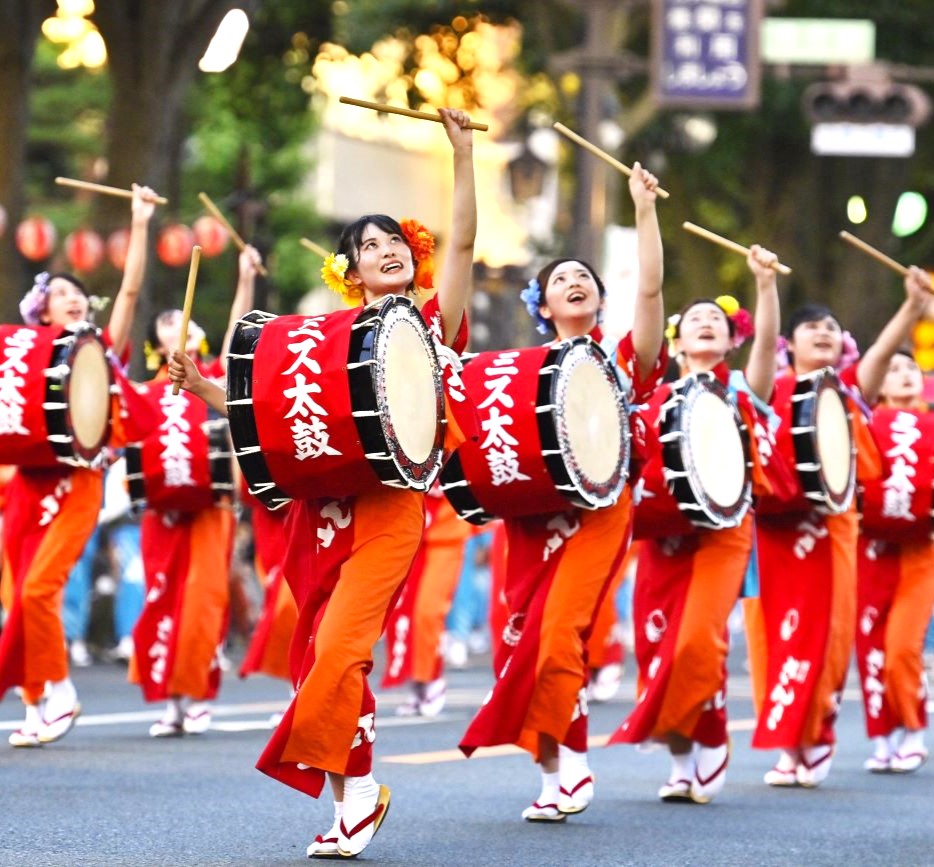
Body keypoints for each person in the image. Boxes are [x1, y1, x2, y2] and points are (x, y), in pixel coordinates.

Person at [169, 107, 476, 860]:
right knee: (318, 660)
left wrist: (463, 156)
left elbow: (467, 242)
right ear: (350, 272)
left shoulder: (435, 324)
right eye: (368, 245)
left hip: (392, 510)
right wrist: (205, 389)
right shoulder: (322, 343)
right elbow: (269, 413)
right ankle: (354, 797)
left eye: (394, 240)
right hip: (322, 513)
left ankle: (356, 793)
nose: (385, 249)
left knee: (340, 649)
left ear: (414, 256)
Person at [458, 163, 665, 822]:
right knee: (519, 643)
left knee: (558, 636)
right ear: (543, 307)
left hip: (600, 511)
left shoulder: (622, 359)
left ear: (599, 299)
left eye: (584, 278)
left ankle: (573, 762)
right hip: (530, 515)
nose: (574, 282)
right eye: (559, 280)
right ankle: (549, 770)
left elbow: (652, 292)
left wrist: (644, 209)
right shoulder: (515, 372)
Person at [608, 245, 782, 805]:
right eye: (695, 319)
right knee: (656, 645)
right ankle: (682, 759)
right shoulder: (653, 398)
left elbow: (765, 351)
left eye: (717, 320)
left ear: (732, 341)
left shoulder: (743, 391)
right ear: (677, 342)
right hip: (664, 533)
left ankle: (710, 740)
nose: (706, 322)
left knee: (698, 641)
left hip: (725, 534)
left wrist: (765, 285)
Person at [751, 265, 931, 787]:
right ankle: (787, 746)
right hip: (774, 531)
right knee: (770, 642)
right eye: (812, 327)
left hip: (831, 528)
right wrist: (765, 287)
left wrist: (913, 306)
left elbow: (882, 353)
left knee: (827, 639)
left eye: (831, 326)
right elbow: (761, 346)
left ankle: (816, 738)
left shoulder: (849, 391)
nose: (824, 332)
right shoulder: (769, 388)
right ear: (790, 344)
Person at [0, 184, 158, 748]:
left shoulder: (99, 350)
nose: (71, 298)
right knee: (19, 597)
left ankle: (61, 692)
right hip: (28, 484)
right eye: (59, 292)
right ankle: (34, 703)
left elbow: (131, 289)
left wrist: (140, 221)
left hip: (79, 483)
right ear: (40, 310)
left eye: (77, 293)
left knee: (40, 588)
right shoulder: (23, 357)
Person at [128, 244, 261, 737]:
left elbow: (237, 329)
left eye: (180, 319)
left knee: (204, 598)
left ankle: (199, 693)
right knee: (161, 597)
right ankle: (169, 700)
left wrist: (244, 277)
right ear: (154, 343)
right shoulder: (144, 394)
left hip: (212, 506)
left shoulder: (214, 380)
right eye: (163, 321)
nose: (173, 321)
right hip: (161, 512)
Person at [852, 349, 934, 773]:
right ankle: (882, 737)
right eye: (893, 369)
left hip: (921, 554)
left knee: (903, 646)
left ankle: (914, 731)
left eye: (911, 369)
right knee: (871, 648)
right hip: (871, 552)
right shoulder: (863, 425)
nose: (904, 375)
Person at [381, 485, 474, 716]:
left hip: (447, 535)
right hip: (409, 529)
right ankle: (416, 680)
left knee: (429, 610)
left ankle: (431, 676)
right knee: (402, 610)